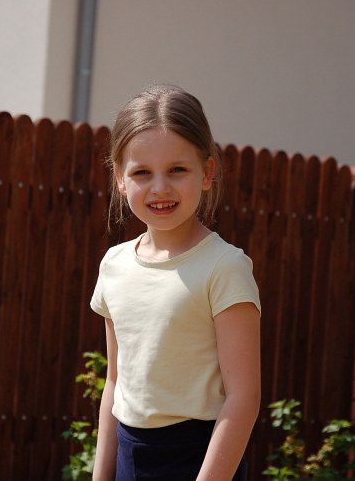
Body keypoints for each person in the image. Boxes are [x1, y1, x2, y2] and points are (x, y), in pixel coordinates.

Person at [90, 84, 261, 481]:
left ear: (207, 172)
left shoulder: (225, 267)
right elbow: (115, 382)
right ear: (120, 178)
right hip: (130, 459)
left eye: (177, 170)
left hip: (200, 461)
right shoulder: (114, 265)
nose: (160, 188)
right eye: (142, 172)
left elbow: (243, 398)